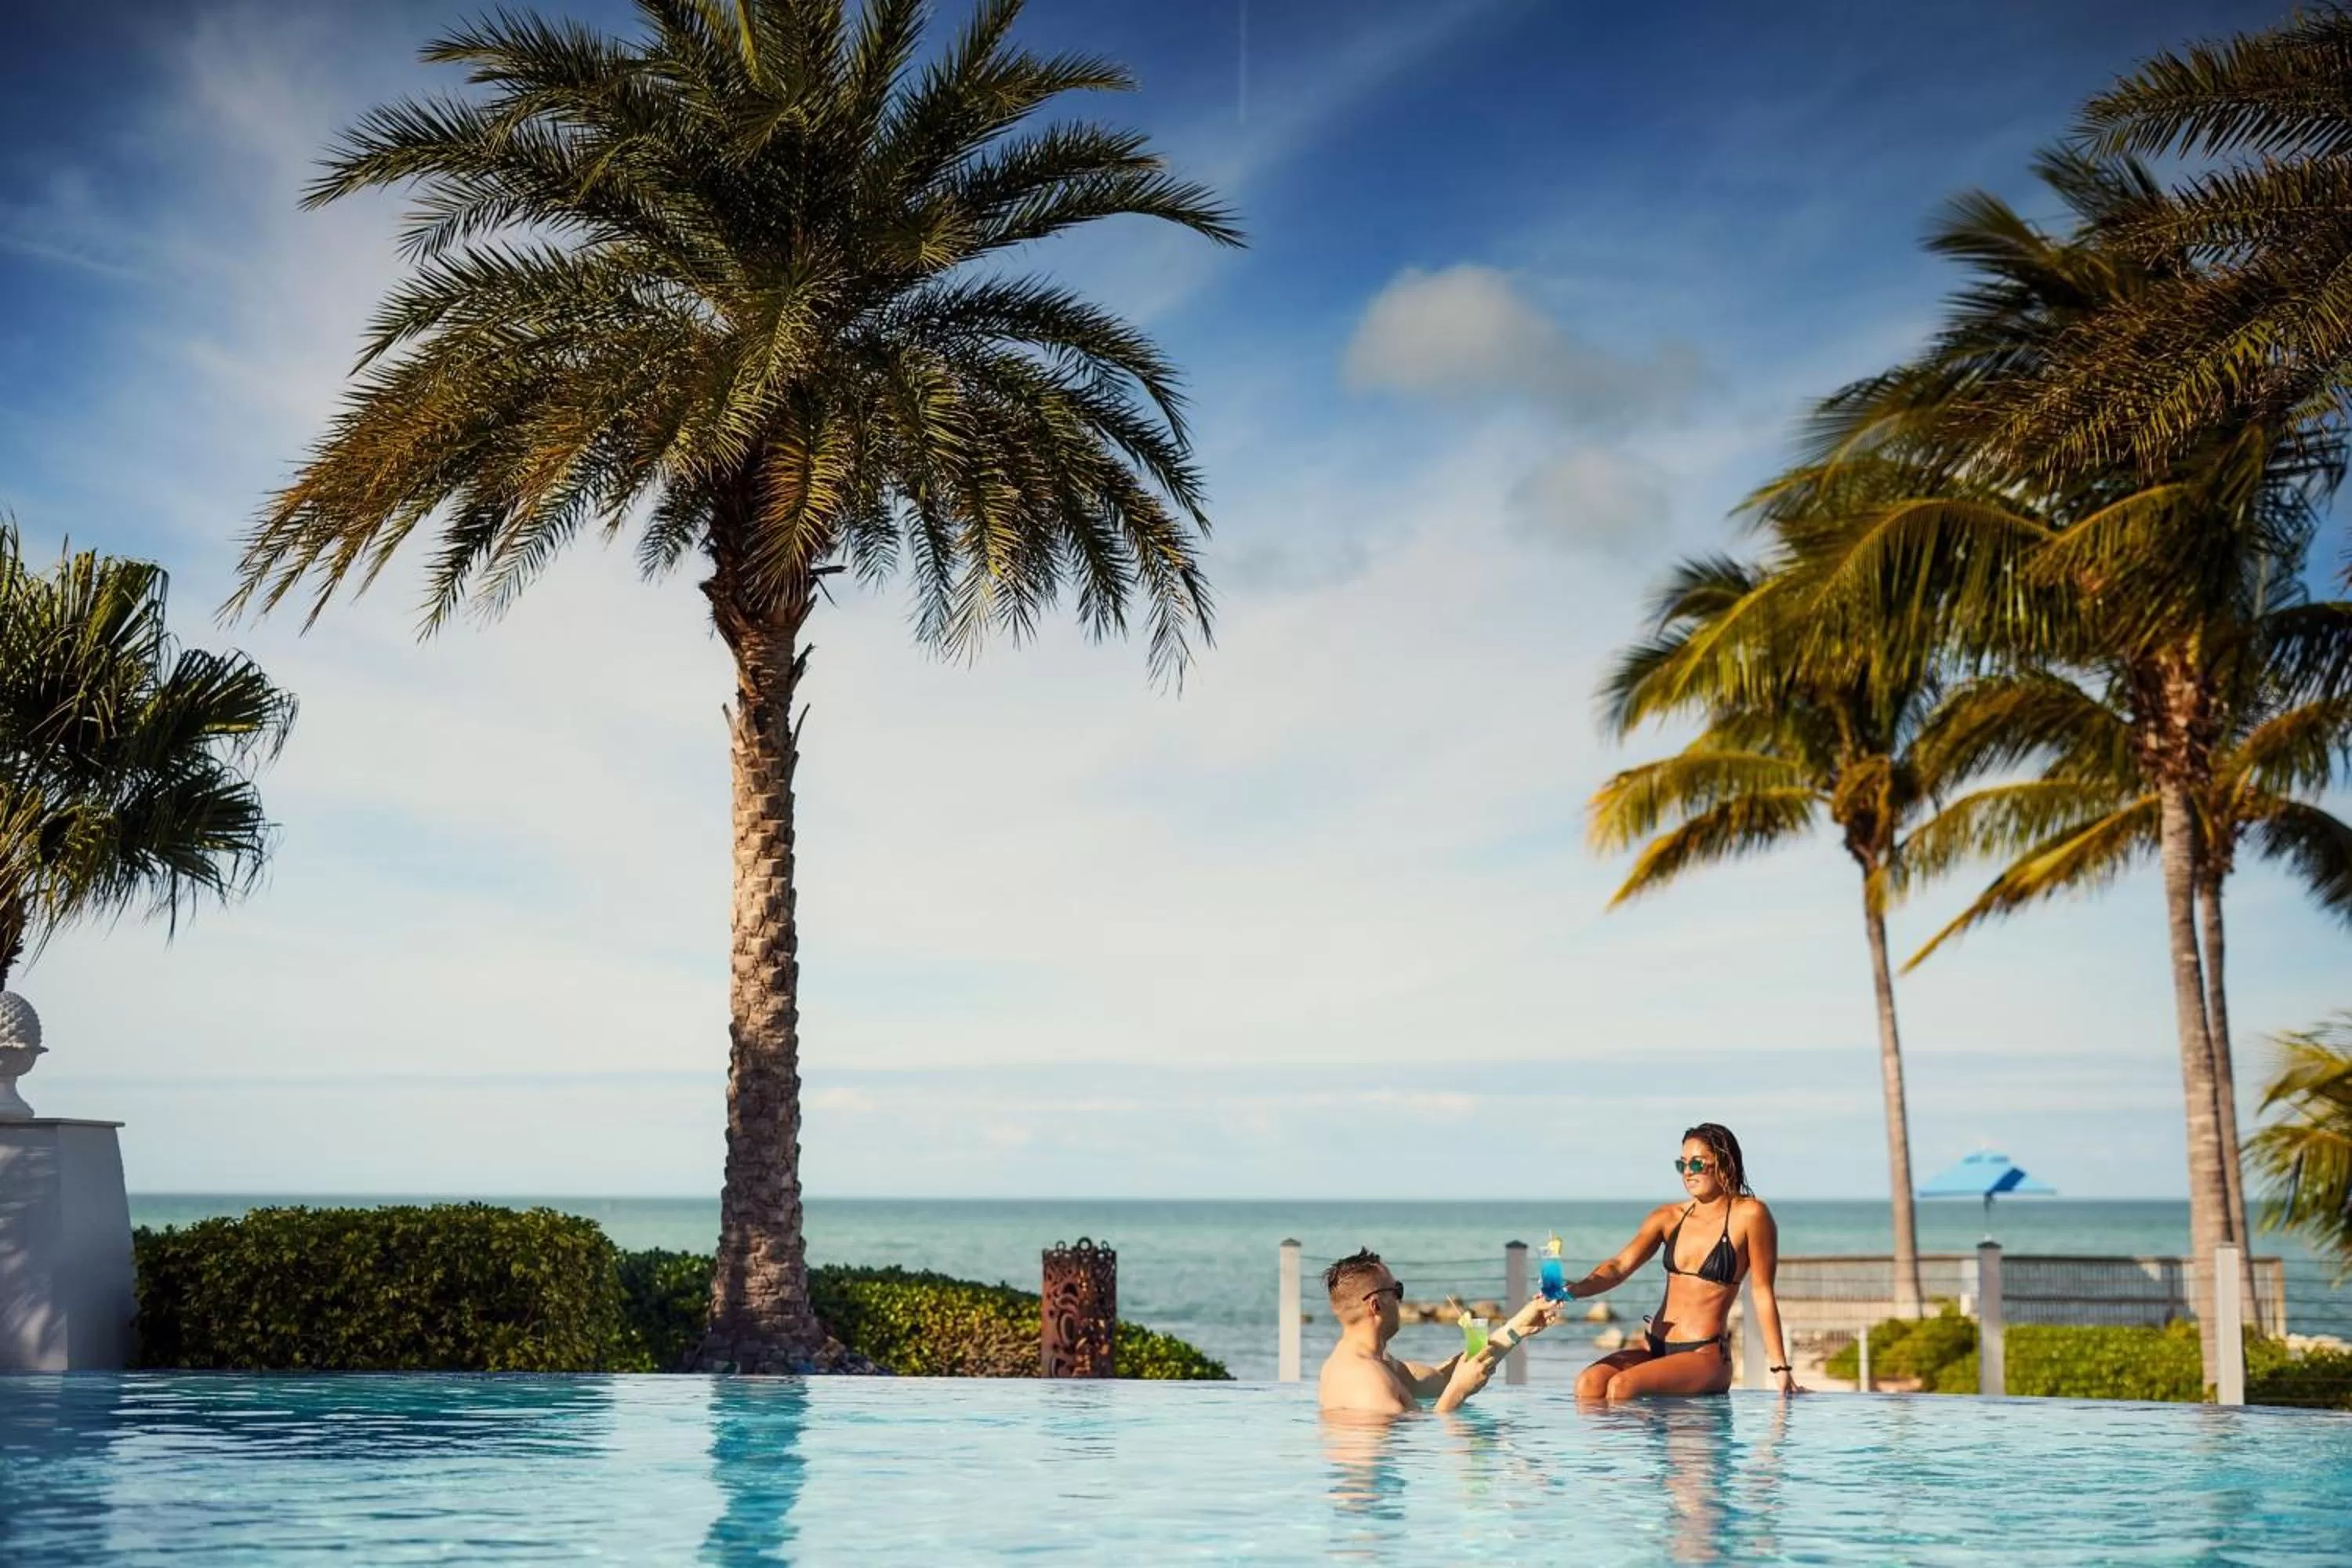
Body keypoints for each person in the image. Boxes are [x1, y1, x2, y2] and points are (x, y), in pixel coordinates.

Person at [1555, 1123, 1802, 1399]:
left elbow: (1762, 1292)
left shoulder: (1750, 1215)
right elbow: (1619, 1267)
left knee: (1622, 1387)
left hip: (1705, 1355)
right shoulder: (1669, 1217)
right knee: (1589, 1384)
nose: (1687, 1172)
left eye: (1697, 1164)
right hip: (1658, 1349)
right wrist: (1573, 1289)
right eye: (1682, 1164)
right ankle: (1615, 1445)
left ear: (1723, 1163)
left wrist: (1780, 1367)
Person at [1316, 1248, 1560, 1414]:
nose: (1401, 1301)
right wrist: (1459, 1392)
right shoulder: (1366, 1379)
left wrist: (1518, 1327)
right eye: (1397, 1291)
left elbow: (1444, 1380)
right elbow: (1421, 1444)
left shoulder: (1383, 1365)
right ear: (1376, 1305)